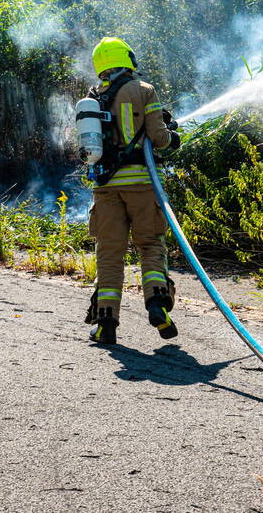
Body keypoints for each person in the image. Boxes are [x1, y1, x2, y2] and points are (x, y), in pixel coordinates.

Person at [81, 37, 180, 345]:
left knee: (109, 255)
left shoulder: (93, 98)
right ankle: (157, 304)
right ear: (127, 59)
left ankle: (106, 325)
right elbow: (159, 139)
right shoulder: (144, 90)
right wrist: (174, 136)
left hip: (106, 187)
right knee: (150, 244)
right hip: (140, 183)